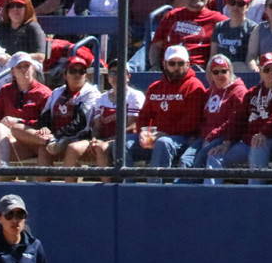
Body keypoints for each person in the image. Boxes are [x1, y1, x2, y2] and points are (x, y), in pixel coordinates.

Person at [205, 51, 272, 184]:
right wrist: (228, 142)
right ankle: (211, 194)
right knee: (216, 155)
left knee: (258, 147)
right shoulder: (253, 92)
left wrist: (264, 133)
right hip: (248, 142)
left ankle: (255, 192)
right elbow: (238, 118)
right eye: (267, 69)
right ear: (260, 72)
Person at [129, 45, 209, 175]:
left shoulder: (194, 86)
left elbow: (192, 122)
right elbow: (144, 117)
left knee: (163, 142)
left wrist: (165, 133)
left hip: (183, 139)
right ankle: (127, 184)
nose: (177, 67)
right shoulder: (154, 88)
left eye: (181, 63)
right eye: (172, 63)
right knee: (122, 144)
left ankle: (155, 185)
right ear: (164, 64)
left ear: (188, 64)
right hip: (155, 137)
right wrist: (143, 132)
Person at [34, 47, 100, 178]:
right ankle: (42, 186)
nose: (77, 74)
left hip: (82, 138)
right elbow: (45, 116)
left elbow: (81, 123)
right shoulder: (57, 92)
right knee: (43, 149)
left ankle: (68, 188)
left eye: (81, 71)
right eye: (73, 71)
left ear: (86, 75)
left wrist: (57, 135)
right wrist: (45, 129)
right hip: (57, 138)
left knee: (71, 148)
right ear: (65, 75)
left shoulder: (91, 93)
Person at [180, 53, 248, 176]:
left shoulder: (239, 91)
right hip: (204, 137)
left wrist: (215, 135)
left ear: (230, 71)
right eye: (216, 72)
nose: (220, 75)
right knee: (185, 159)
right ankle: (180, 186)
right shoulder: (209, 92)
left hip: (224, 136)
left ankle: (193, 188)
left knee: (200, 159)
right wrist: (196, 134)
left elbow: (237, 120)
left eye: (224, 71)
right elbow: (200, 117)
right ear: (210, 75)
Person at [148, 0, 227, 70]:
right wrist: (155, 65)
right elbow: (156, 45)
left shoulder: (218, 20)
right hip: (170, 68)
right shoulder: (171, 16)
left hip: (198, 70)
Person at [0, 51, 52, 167]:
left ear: (33, 68)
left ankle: (0, 170)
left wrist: (19, 121)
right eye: (19, 67)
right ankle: (2, 169)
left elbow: (46, 123)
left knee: (17, 127)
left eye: (27, 66)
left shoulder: (44, 93)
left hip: (36, 140)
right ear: (12, 71)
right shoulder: (5, 90)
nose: (24, 70)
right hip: (15, 142)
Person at [87, 59, 144, 170]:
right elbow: (97, 127)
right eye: (112, 73)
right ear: (108, 77)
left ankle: (115, 180)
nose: (116, 76)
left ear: (128, 77)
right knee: (80, 147)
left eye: (120, 72)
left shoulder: (135, 96)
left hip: (126, 139)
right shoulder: (101, 99)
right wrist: (94, 138)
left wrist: (110, 140)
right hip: (104, 140)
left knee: (102, 148)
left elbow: (133, 126)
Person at [0, 0, 45, 78]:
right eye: (11, 6)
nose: (15, 9)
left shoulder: (33, 27)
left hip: (26, 74)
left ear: (27, 9)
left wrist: (13, 59)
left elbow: (40, 56)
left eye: (19, 6)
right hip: (1, 72)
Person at [211, 0, 257, 68]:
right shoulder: (219, 27)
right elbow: (213, 55)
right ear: (228, 5)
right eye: (232, 3)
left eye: (240, 4)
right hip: (221, 69)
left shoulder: (252, 28)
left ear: (247, 6)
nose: (235, 7)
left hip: (242, 69)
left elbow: (251, 57)